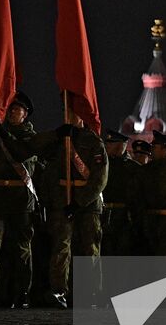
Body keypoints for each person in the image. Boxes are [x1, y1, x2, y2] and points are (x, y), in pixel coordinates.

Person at [10, 109, 108, 307]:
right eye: (67, 111)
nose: (69, 115)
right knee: (61, 247)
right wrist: (56, 134)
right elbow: (29, 148)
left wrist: (78, 202)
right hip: (62, 202)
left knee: (89, 250)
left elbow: (100, 179)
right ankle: (58, 291)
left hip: (87, 205)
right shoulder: (59, 140)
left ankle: (92, 293)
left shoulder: (94, 142)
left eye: (74, 111)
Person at [0, 93, 40, 308]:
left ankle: (22, 292)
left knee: (21, 248)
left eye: (17, 110)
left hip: (20, 201)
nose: (13, 113)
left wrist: (0, 133)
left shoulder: (30, 137)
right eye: (10, 110)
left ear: (25, 115)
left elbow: (21, 153)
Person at [99, 128, 140, 258]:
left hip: (124, 218)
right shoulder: (102, 165)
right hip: (104, 215)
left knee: (122, 252)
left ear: (120, 146)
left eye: (110, 144)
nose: (106, 146)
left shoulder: (134, 168)